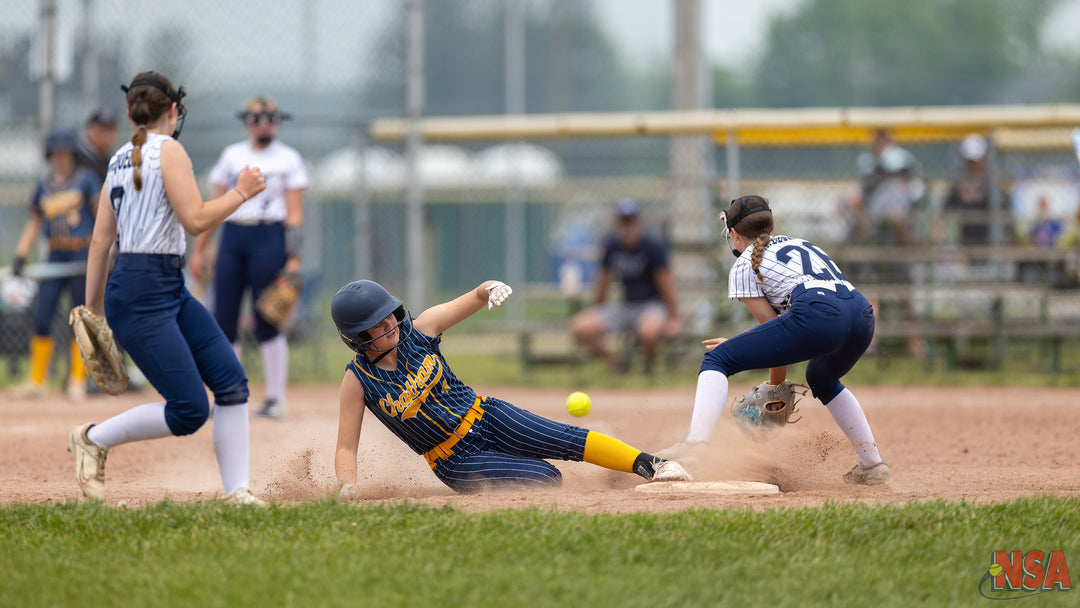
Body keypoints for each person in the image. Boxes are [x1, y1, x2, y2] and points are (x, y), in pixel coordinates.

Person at [68, 71, 267, 505]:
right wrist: (241, 193)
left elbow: (101, 242)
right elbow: (195, 220)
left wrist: (93, 308)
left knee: (231, 381)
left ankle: (238, 494)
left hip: (160, 287)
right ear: (174, 110)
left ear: (131, 112)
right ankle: (92, 438)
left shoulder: (119, 155)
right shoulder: (169, 150)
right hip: (143, 293)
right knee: (190, 409)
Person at [331, 279, 690, 495]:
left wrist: (491, 289)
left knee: (565, 437)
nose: (390, 326)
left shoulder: (420, 329)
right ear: (357, 339)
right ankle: (542, 465)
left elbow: (473, 296)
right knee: (546, 478)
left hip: (487, 414)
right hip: (456, 460)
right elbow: (346, 447)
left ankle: (653, 464)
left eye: (390, 316)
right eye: (376, 327)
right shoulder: (359, 380)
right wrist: (347, 484)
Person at [660, 195, 889, 486]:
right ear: (771, 223)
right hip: (861, 315)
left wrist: (775, 390)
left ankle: (694, 445)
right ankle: (872, 465)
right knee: (821, 377)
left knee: (718, 358)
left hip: (820, 314)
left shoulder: (745, 262)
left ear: (733, 234)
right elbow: (782, 334)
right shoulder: (803, 244)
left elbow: (775, 337)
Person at [191, 96, 308, 419]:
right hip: (233, 236)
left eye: (270, 117)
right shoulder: (232, 155)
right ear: (245, 121)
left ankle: (275, 398)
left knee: (267, 317)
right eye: (256, 118)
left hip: (269, 237)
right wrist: (200, 250)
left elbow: (295, 214)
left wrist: (294, 259)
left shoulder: (288, 159)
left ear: (278, 120)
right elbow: (214, 204)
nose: (263, 123)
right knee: (224, 317)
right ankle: (230, 394)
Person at [10, 126, 101, 400]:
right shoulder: (43, 184)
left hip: (81, 257)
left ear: (72, 153)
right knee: (42, 314)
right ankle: (37, 380)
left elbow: (100, 215)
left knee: (79, 319)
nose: (60, 157)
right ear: (50, 155)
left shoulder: (86, 180)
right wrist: (21, 253)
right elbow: (36, 220)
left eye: (65, 152)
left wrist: (107, 249)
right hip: (55, 256)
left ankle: (77, 379)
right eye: (55, 153)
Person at [569, 199, 680, 374]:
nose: (627, 225)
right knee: (580, 327)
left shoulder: (652, 246)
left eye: (630, 220)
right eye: (623, 221)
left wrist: (674, 317)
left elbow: (666, 282)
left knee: (649, 331)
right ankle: (618, 363)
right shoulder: (613, 245)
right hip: (625, 305)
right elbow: (603, 281)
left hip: (651, 305)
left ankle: (648, 368)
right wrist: (597, 311)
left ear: (638, 221)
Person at [75, 106, 120, 183]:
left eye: (111, 130)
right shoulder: (77, 159)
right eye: (103, 130)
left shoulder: (113, 161)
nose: (108, 135)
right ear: (90, 131)